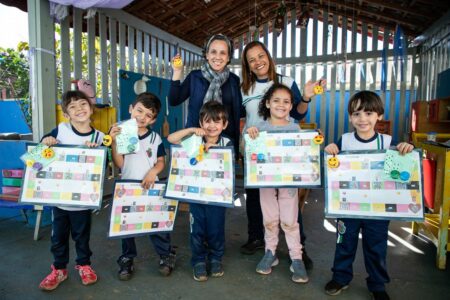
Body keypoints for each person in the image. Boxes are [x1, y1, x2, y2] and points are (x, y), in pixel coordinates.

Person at [240, 41, 324, 269]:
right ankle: (264, 244)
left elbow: (298, 112)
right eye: (252, 59)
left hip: (287, 155)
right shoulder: (244, 88)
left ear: (268, 56)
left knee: (290, 206)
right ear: (247, 65)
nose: (258, 62)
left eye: (261, 56)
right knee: (259, 201)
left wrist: (305, 97)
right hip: (258, 155)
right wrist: (245, 142)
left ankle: (298, 250)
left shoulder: (287, 82)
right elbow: (241, 118)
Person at [323, 91, 414, 300]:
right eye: (356, 114)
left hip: (377, 210)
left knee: (376, 247)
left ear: (379, 116)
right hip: (347, 207)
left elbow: (402, 167)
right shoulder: (344, 141)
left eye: (368, 113)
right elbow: (333, 161)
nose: (362, 119)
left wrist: (407, 148)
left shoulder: (387, 142)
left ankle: (377, 284)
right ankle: (340, 277)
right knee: (344, 243)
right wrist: (330, 149)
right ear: (350, 117)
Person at [39, 90, 104, 291]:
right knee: (58, 237)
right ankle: (59, 269)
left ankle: (84, 265)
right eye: (72, 107)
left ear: (91, 108)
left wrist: (97, 153)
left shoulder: (100, 137)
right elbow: (40, 157)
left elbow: (105, 166)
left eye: (83, 104)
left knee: (82, 237)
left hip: (83, 202)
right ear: (66, 114)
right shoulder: (61, 130)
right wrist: (46, 143)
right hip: (59, 201)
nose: (79, 109)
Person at [109, 92, 176, 281]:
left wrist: (153, 172)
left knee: (156, 224)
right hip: (128, 188)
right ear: (131, 109)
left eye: (148, 115)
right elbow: (120, 164)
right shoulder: (122, 133)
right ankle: (127, 258)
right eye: (139, 110)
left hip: (152, 188)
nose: (142, 117)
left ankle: (165, 255)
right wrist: (114, 143)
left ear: (153, 119)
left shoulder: (155, 138)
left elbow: (161, 162)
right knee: (127, 228)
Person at [246, 83, 309, 284]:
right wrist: (250, 135)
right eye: (276, 100)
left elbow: (302, 155)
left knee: (290, 220)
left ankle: (296, 257)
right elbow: (249, 150)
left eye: (286, 101)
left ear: (291, 106)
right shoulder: (260, 129)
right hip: (266, 182)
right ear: (267, 103)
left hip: (288, 183)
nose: (281, 105)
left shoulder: (295, 128)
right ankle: (270, 252)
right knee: (270, 218)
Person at [167, 101, 232, 282]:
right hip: (196, 197)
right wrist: (190, 131)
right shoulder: (194, 141)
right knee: (197, 230)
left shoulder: (227, 142)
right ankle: (198, 261)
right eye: (207, 121)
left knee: (216, 230)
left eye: (217, 121)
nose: (212, 125)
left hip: (218, 198)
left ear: (224, 124)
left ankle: (216, 258)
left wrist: (216, 151)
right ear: (201, 123)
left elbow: (231, 165)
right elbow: (171, 139)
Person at [169, 33, 243, 155]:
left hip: (224, 142)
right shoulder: (195, 76)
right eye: (213, 52)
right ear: (207, 55)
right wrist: (177, 72)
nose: (217, 57)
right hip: (196, 139)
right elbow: (174, 100)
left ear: (228, 57)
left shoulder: (234, 80)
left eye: (223, 53)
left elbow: (238, 111)